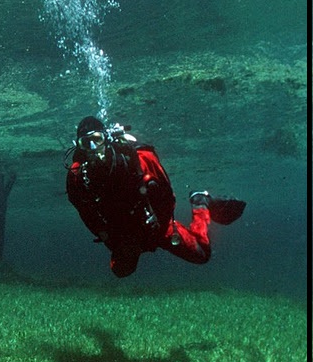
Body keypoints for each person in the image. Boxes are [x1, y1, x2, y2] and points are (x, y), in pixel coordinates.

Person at [65, 115, 245, 278]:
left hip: (158, 226)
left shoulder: (138, 159)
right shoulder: (76, 176)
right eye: (85, 143)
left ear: (107, 139)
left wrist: (156, 228)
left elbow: (168, 197)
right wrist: (110, 240)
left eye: (97, 140)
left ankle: (200, 202)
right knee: (120, 271)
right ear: (79, 146)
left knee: (202, 254)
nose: (93, 149)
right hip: (125, 236)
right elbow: (86, 213)